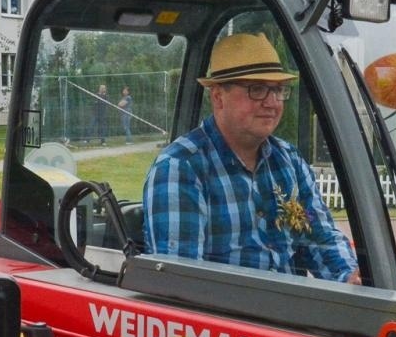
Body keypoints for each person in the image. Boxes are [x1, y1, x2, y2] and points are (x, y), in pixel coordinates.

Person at [143, 32, 359, 283]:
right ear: (218, 97)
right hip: (226, 319)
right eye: (256, 89)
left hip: (289, 314)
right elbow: (182, 284)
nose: (272, 102)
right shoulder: (180, 168)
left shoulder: (288, 161)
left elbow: (320, 238)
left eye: (278, 90)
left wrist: (350, 278)